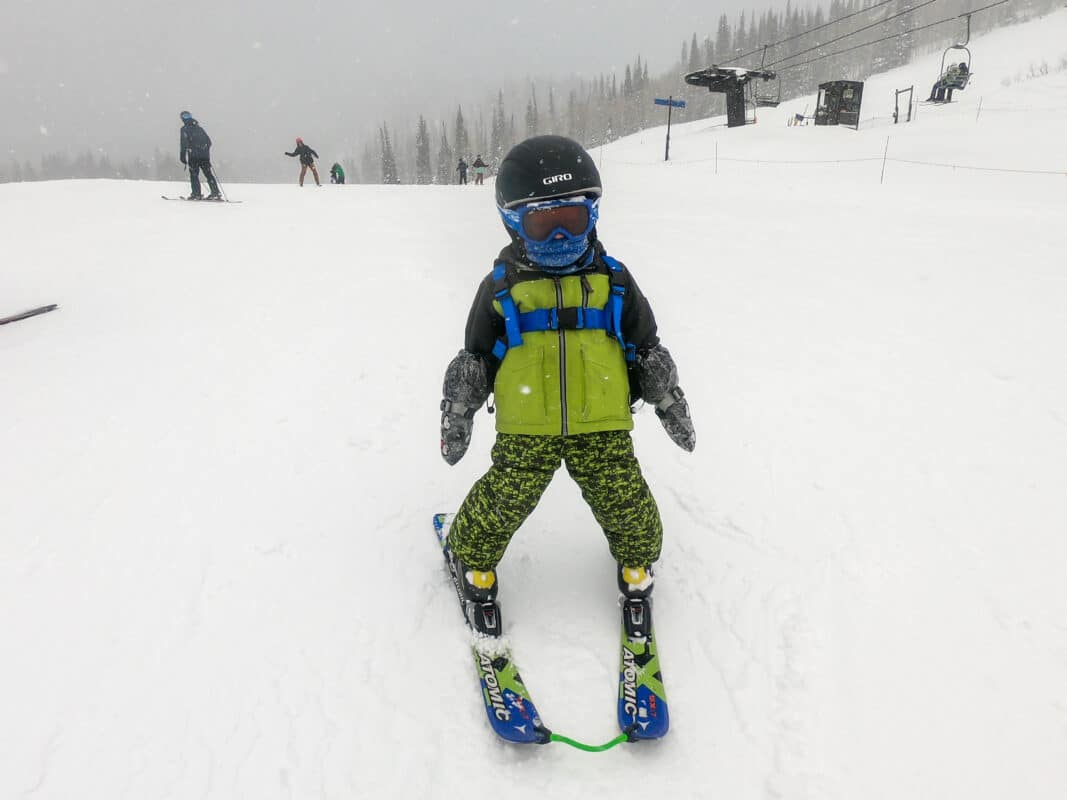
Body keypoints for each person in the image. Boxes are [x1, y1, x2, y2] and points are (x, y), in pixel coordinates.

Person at [438, 135, 695, 637]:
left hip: (603, 428)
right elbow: (474, 356)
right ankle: (470, 557)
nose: (560, 237)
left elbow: (646, 346)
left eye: (571, 220)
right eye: (543, 223)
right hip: (524, 429)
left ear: (593, 215)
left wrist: (667, 398)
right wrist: (459, 409)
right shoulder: (501, 287)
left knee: (629, 507)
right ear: (514, 222)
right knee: (505, 497)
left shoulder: (614, 281)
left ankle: (637, 564)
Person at [178, 111, 221, 200]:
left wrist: (182, 156)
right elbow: (209, 142)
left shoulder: (184, 129)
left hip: (193, 156)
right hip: (204, 157)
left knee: (194, 175)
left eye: (187, 116)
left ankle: (196, 194)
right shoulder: (199, 128)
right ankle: (215, 193)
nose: (186, 118)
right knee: (208, 174)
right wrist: (204, 151)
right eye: (185, 116)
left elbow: (183, 143)